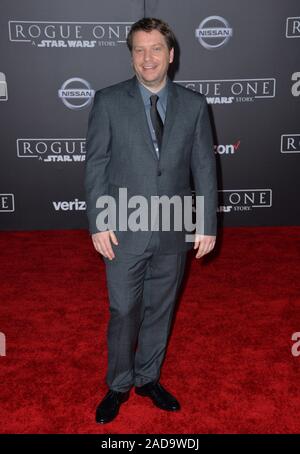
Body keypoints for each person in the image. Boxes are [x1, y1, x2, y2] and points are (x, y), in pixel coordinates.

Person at [85, 17, 217, 424]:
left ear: (171, 55)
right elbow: (97, 164)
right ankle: (119, 383)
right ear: (131, 57)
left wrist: (207, 223)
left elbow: (204, 167)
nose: (148, 58)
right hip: (123, 226)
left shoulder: (195, 105)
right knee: (124, 309)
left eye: (156, 48)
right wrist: (98, 221)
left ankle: (148, 378)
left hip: (174, 227)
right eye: (139, 50)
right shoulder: (108, 101)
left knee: (161, 308)